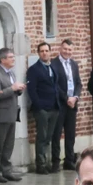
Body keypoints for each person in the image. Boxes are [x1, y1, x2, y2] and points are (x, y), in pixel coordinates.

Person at [0, 47, 26, 184]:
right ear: (2, 59)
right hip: (0, 114)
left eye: (13, 57)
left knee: (9, 144)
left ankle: (7, 170)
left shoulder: (11, 73)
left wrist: (19, 90)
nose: (13, 59)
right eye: (10, 57)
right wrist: (12, 89)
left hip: (12, 113)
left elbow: (12, 91)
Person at [26, 42, 63, 174]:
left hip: (54, 107)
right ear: (38, 53)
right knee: (42, 137)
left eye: (47, 50)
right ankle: (40, 165)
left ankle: (47, 162)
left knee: (49, 137)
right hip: (42, 109)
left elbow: (55, 85)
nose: (44, 53)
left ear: (50, 52)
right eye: (42, 51)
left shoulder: (52, 67)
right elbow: (32, 90)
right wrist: (39, 105)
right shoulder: (34, 69)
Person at [54, 39, 82, 170]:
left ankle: (69, 160)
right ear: (60, 48)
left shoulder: (74, 64)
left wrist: (75, 97)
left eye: (70, 50)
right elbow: (55, 85)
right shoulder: (54, 64)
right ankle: (55, 161)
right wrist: (66, 99)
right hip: (60, 103)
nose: (67, 52)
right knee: (57, 133)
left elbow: (78, 83)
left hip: (72, 104)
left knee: (70, 134)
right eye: (65, 49)